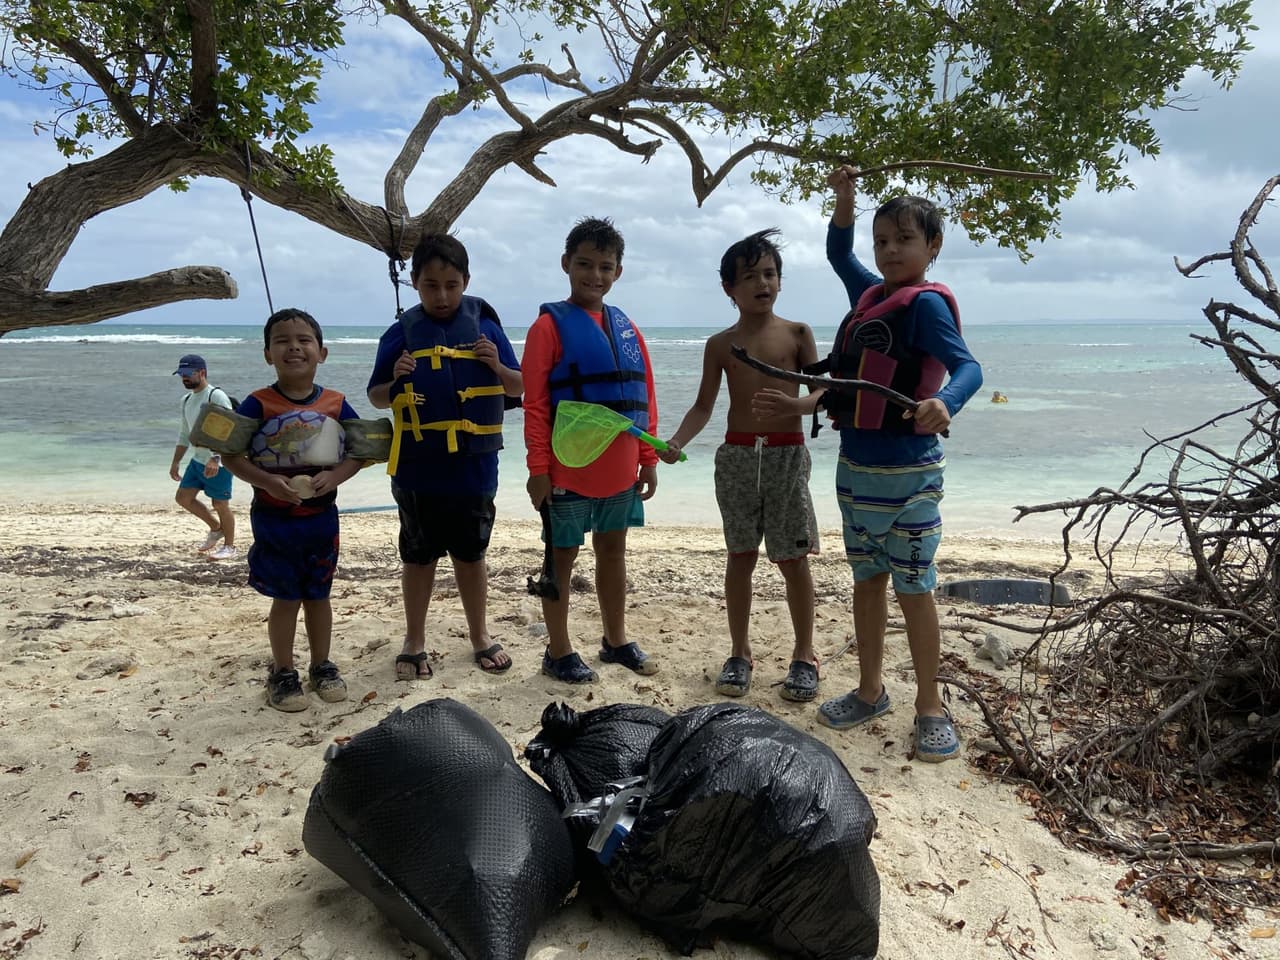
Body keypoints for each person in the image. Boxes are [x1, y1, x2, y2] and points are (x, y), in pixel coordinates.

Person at [816, 165, 983, 762]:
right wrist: (845, 198)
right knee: (866, 580)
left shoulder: (925, 308)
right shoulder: (872, 296)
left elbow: (969, 368)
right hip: (856, 469)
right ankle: (869, 690)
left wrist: (946, 402)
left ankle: (930, 705)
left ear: (932, 247)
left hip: (910, 475)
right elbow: (839, 250)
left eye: (904, 240)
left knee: (915, 587)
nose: (889, 251)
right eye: (882, 240)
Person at [660, 229, 823, 701]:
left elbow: (822, 392)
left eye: (770, 274)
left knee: (793, 559)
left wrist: (797, 407)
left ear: (780, 281)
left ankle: (804, 654)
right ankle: (739, 651)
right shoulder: (721, 345)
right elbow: (703, 407)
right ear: (729, 288)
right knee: (740, 556)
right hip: (735, 458)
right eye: (749, 276)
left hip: (787, 458)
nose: (762, 283)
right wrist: (675, 441)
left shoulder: (797, 333)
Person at [366, 233, 523, 681]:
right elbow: (377, 398)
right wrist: (395, 380)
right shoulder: (400, 333)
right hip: (418, 469)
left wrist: (496, 365)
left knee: (472, 556)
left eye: (451, 285)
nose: (442, 295)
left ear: (466, 281)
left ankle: (480, 636)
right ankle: (414, 640)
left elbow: (518, 387)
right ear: (415, 282)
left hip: (474, 467)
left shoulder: (487, 328)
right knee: (418, 557)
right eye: (431, 285)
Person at [522, 216, 660, 684]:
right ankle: (558, 650)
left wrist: (648, 458)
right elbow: (536, 405)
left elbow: (646, 397)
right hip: (568, 468)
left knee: (613, 552)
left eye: (605, 266)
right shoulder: (547, 327)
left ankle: (615, 639)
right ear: (566, 264)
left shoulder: (626, 327)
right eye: (585, 264)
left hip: (620, 467)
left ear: (618, 272)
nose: (594, 275)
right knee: (561, 556)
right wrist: (538, 467)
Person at [222, 309, 366, 712]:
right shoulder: (258, 403)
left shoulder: (336, 403)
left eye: (303, 340)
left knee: (319, 595)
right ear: (268, 353)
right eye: (282, 340)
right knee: (286, 597)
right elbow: (231, 454)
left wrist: (335, 477)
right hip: (274, 520)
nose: (294, 347)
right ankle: (283, 672)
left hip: (321, 519)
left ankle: (322, 666)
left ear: (322, 352)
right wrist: (267, 481)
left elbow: (361, 450)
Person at [170, 354, 238, 560]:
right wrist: (175, 462)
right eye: (181, 374)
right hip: (198, 460)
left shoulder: (216, 396)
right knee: (183, 498)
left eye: (188, 374)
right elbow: (184, 433)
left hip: (219, 462)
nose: (184, 378)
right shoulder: (186, 400)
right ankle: (216, 528)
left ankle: (230, 546)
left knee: (220, 504)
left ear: (202, 373)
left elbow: (229, 428)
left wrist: (216, 457)